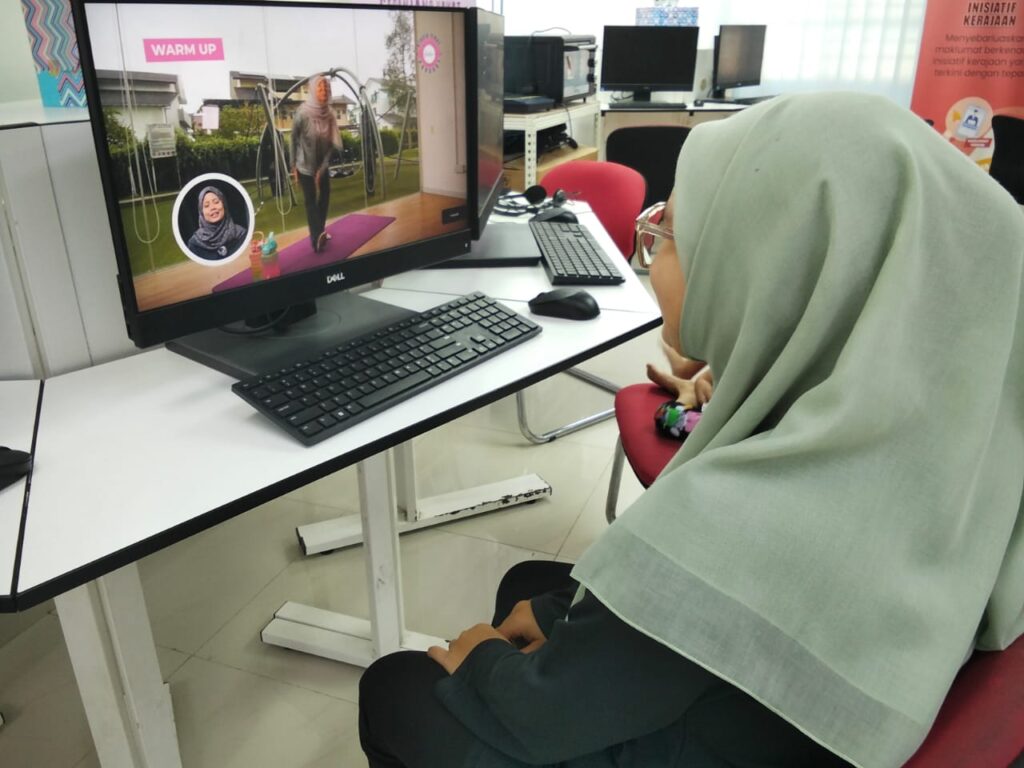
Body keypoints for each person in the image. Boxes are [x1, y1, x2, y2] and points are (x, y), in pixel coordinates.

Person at [359, 92, 1024, 768]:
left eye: (672, 233)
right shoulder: (951, 436)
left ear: (773, 268)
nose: (651, 253)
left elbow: (542, 711)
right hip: (807, 703)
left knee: (398, 687)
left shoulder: (743, 521)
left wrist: (482, 660)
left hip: (710, 732)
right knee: (534, 585)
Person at [291, 73, 340, 252]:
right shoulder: (302, 113)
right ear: (312, 90)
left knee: (325, 194)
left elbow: (332, 144)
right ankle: (317, 238)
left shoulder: (331, 114)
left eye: (326, 87)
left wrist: (322, 168)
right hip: (304, 163)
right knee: (310, 199)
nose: (324, 90)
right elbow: (293, 139)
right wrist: (293, 165)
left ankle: (320, 231)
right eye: (320, 87)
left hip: (322, 163)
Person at [186, 185, 247, 261]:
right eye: (206, 205)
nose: (212, 207)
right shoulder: (194, 244)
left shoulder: (241, 234)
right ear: (201, 212)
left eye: (216, 202)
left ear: (224, 204)